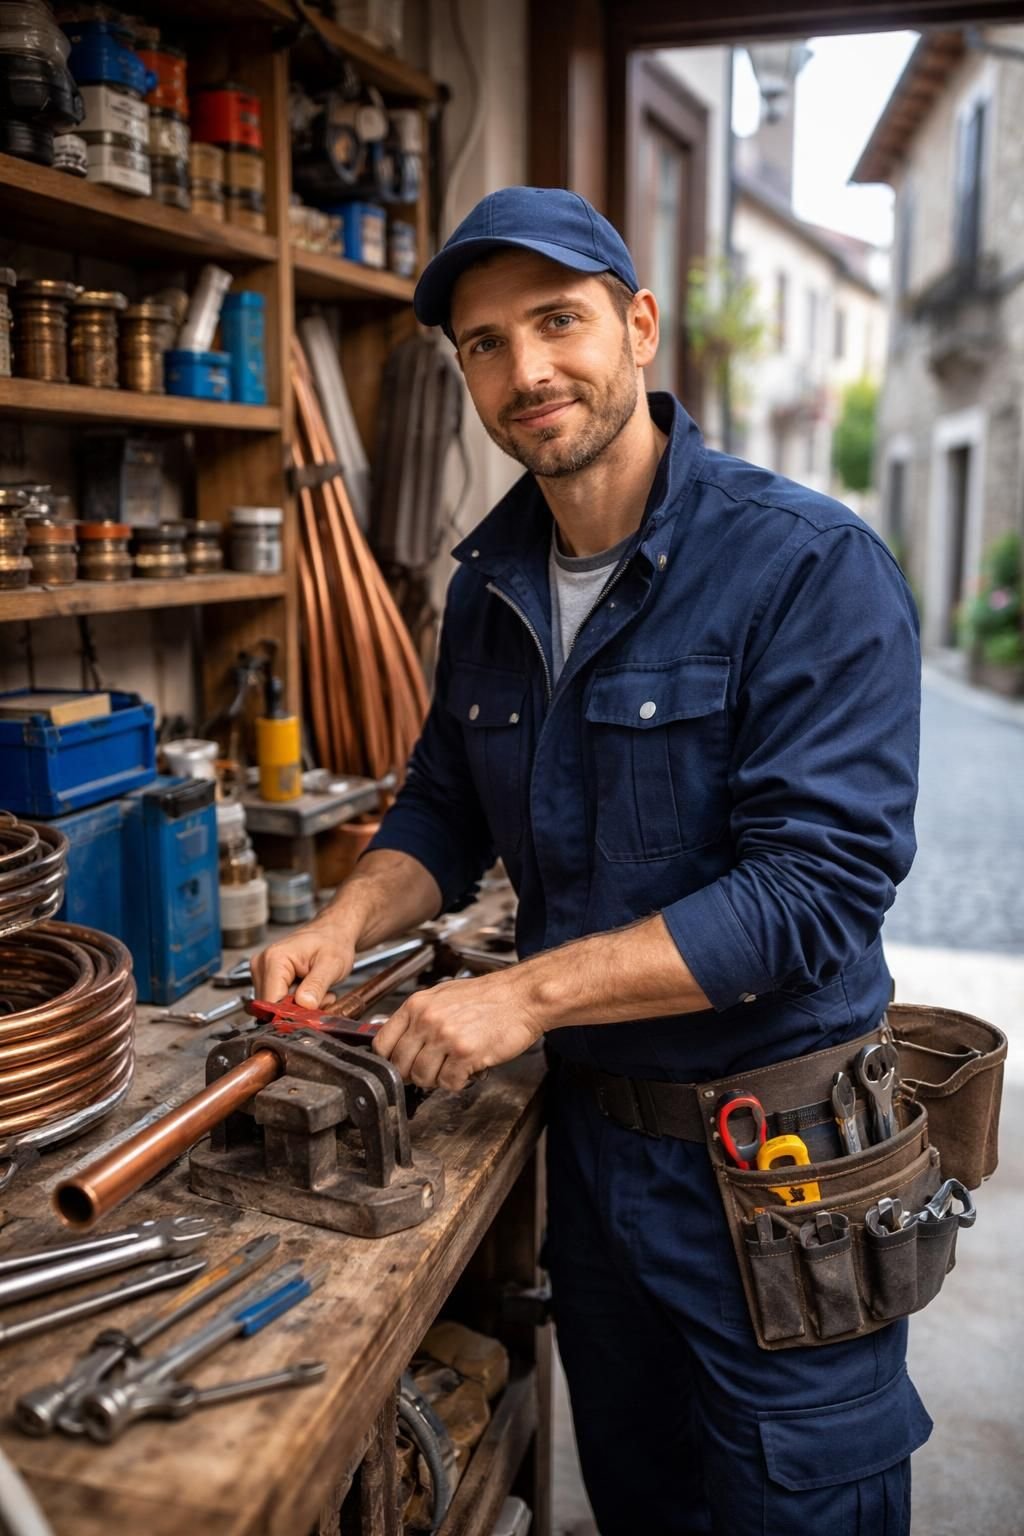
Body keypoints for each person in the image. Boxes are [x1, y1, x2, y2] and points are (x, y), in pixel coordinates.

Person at [254, 186, 930, 1534]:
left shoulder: (806, 565)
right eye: (486, 346)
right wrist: (348, 918)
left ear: (637, 326)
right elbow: (444, 808)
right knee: (642, 1499)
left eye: (557, 322)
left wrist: (523, 996)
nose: (527, 371)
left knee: (797, 1507)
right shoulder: (489, 582)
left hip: (777, 1166)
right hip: (600, 1170)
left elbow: (816, 892)